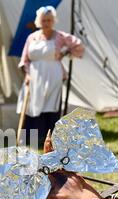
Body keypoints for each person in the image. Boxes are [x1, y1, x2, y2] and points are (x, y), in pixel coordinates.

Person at [18, 6, 84, 140]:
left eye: (49, 20)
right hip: (35, 75)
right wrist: (28, 74)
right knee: (34, 105)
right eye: (44, 20)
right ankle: (34, 138)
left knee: (51, 105)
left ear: (53, 21)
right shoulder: (32, 37)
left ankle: (51, 138)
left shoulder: (59, 36)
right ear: (39, 21)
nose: (46, 23)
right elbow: (25, 59)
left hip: (53, 75)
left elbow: (78, 46)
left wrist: (65, 53)